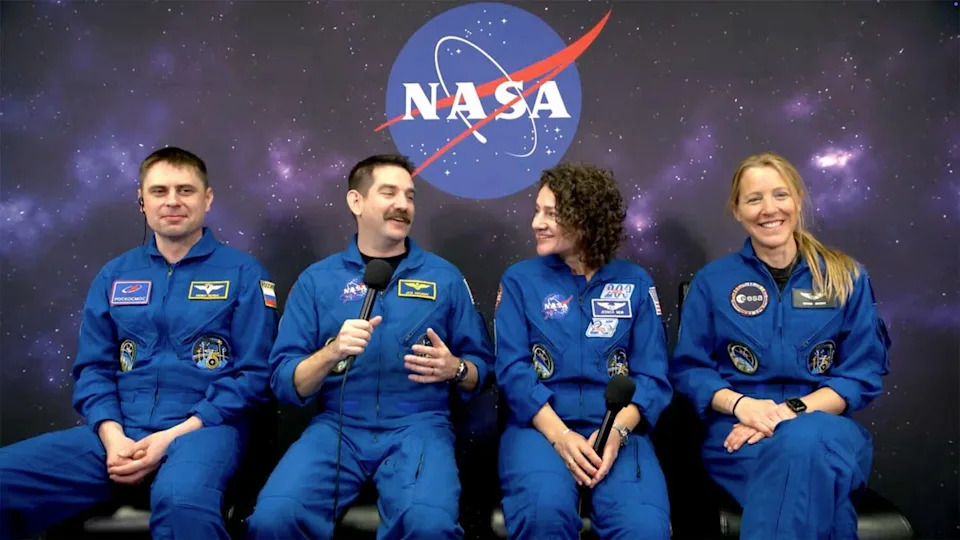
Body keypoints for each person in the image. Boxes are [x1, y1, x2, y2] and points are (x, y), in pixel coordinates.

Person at [0, 147, 279, 539]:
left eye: (185, 190)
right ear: (142, 200)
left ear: (207, 198)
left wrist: (170, 438)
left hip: (205, 429)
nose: (172, 201)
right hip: (119, 433)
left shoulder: (244, 273)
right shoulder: (115, 275)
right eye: (159, 191)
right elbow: (93, 369)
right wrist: (113, 436)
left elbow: (254, 375)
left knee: (182, 504)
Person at [246, 154, 493, 539]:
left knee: (429, 526)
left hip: (419, 425)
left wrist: (456, 368)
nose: (403, 204)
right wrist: (331, 352)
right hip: (338, 426)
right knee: (274, 519)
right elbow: (284, 381)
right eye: (389, 193)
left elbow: (482, 371)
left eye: (410, 196)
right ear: (356, 201)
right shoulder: (317, 281)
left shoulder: (444, 278)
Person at [670, 152, 891, 539]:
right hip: (741, 434)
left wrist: (791, 411)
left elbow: (861, 373)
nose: (769, 209)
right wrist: (743, 405)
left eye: (780, 194)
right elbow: (691, 369)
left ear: (798, 200)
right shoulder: (712, 282)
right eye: (754, 199)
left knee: (803, 443)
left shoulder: (845, 277)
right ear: (737, 210)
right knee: (820, 494)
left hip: (827, 428)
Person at [494, 163, 672, 539]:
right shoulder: (520, 281)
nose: (537, 223)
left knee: (643, 527)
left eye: (551, 214)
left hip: (618, 429)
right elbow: (512, 371)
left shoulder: (635, 282)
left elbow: (652, 377)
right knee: (543, 516)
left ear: (586, 219)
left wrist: (616, 432)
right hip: (540, 427)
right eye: (537, 211)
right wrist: (560, 436)